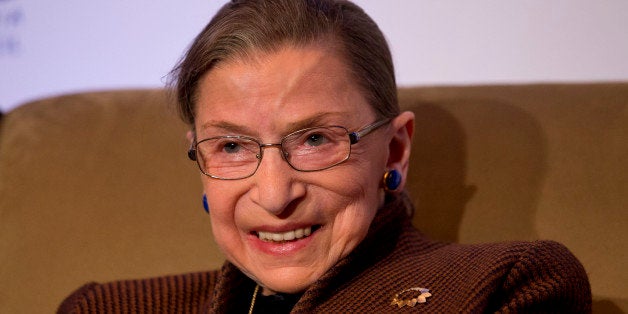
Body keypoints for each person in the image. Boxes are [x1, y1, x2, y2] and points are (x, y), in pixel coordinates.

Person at [58, 0, 591, 313]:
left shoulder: (505, 285)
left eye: (314, 139)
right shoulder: (104, 308)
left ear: (396, 148)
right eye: (232, 146)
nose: (273, 195)